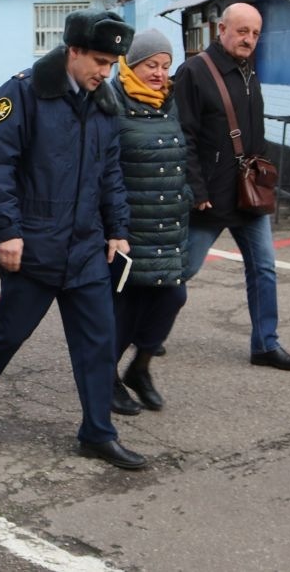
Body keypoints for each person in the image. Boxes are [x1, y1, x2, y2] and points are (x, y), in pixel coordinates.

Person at [0, 9, 148, 470]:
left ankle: (97, 433)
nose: (105, 74)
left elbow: (110, 174)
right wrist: (8, 232)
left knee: (98, 344)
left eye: (112, 65)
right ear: (74, 50)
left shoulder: (104, 102)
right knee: (8, 335)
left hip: (85, 248)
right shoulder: (24, 92)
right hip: (34, 245)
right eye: (99, 62)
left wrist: (118, 231)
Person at [174, 2, 290, 371]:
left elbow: (255, 132)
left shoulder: (249, 71)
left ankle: (265, 345)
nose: (249, 39)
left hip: (248, 194)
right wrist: (196, 191)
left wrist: (263, 172)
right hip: (210, 198)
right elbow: (182, 137)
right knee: (179, 271)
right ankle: (145, 331)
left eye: (255, 33)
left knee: (264, 268)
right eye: (242, 31)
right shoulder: (193, 72)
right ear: (222, 30)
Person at [109, 29, 191, 415]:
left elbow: (180, 151)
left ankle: (139, 368)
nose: (159, 73)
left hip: (167, 222)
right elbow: (105, 166)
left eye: (164, 66)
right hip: (131, 223)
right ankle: (106, 377)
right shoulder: (112, 100)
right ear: (131, 64)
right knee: (128, 305)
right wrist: (114, 226)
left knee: (172, 295)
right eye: (150, 65)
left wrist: (185, 196)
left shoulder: (167, 101)